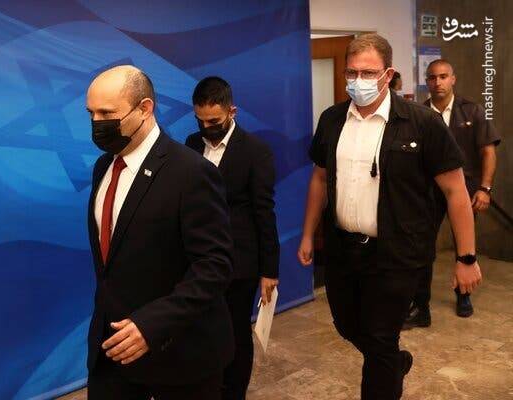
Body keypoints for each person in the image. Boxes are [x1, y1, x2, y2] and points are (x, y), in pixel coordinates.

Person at [297, 34, 482, 400]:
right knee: (347, 326)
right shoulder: (332, 119)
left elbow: (455, 191)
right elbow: (319, 177)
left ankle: (387, 366)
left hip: (396, 254)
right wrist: (307, 234)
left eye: (368, 73)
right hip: (343, 250)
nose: (358, 80)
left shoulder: (422, 122)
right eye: (352, 72)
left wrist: (466, 258)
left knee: (381, 339)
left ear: (388, 74)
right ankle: (394, 362)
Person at [85, 65, 234, 400]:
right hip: (111, 355)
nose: (96, 122)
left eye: (107, 113)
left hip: (178, 358)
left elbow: (214, 266)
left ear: (145, 108)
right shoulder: (104, 167)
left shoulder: (191, 172)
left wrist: (152, 325)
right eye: (90, 113)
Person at [185, 77, 280, 400]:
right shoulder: (191, 144)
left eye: (214, 121)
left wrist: (269, 270)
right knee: (202, 330)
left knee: (236, 332)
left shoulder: (255, 151)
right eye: (200, 120)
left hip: (239, 262)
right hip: (198, 259)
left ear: (232, 111)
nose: (206, 127)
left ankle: (233, 392)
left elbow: (264, 212)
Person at [403, 59, 501, 328]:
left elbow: (488, 152)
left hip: (465, 190)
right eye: (432, 77)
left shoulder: (472, 111)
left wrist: (485, 188)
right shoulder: (418, 114)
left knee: (464, 245)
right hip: (427, 192)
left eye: (443, 76)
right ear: (427, 81)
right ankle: (420, 307)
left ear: (453, 79)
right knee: (422, 247)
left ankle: (463, 296)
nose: (438, 82)